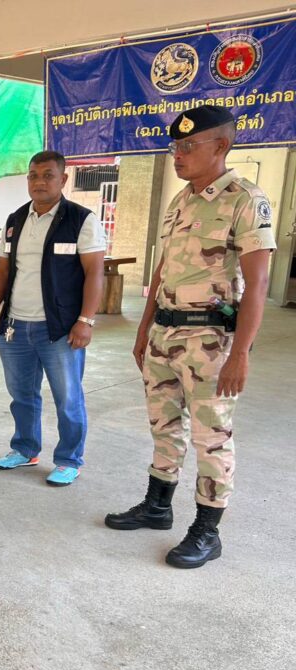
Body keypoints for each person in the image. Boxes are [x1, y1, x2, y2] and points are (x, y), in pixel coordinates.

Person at [104, 106, 276, 569]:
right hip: (164, 332)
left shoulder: (245, 199)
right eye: (174, 147)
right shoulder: (181, 199)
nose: (177, 155)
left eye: (187, 146)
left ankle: (207, 530)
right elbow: (163, 268)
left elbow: (258, 282)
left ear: (221, 146)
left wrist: (241, 352)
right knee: (163, 425)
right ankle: (157, 505)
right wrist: (144, 329)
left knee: (211, 436)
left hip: (210, 339)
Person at [0, 150, 106, 487]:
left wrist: (85, 321)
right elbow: (2, 270)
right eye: (34, 175)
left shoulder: (81, 220)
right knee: (22, 394)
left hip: (60, 330)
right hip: (16, 327)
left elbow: (95, 273)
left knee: (68, 398)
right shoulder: (16, 219)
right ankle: (25, 449)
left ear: (63, 179)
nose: (39, 182)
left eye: (48, 175)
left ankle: (68, 460)